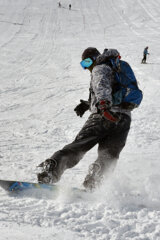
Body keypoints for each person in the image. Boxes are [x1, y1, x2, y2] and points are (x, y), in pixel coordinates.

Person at [37, 48, 132, 190]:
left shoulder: (100, 67)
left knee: (79, 146)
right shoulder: (115, 67)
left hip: (103, 116)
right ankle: (94, 182)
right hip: (123, 120)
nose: (87, 67)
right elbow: (113, 91)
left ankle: (49, 171)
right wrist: (88, 104)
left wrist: (104, 107)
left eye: (87, 62)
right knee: (109, 156)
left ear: (95, 58)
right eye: (83, 64)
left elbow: (102, 86)